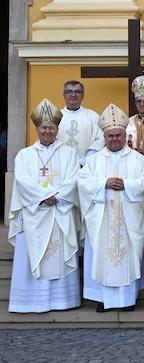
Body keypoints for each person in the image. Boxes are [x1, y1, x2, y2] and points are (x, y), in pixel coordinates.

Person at [8, 98, 81, 313]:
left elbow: (74, 179)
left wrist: (55, 197)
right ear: (37, 129)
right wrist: (43, 196)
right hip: (34, 214)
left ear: (57, 129)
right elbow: (22, 181)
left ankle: (62, 301)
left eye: (51, 127)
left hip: (59, 212)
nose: (47, 131)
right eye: (43, 127)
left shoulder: (69, 153)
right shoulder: (25, 155)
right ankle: (28, 302)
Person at [78, 103, 144, 312]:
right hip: (102, 219)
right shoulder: (93, 160)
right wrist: (104, 184)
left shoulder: (138, 159)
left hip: (128, 219)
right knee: (102, 255)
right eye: (111, 136)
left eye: (118, 135)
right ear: (104, 137)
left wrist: (127, 184)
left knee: (127, 256)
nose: (115, 139)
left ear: (125, 134)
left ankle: (128, 300)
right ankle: (102, 299)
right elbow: (82, 183)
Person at [57, 80, 103, 165]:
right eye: (69, 92)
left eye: (77, 92)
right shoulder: (56, 116)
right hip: (60, 163)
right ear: (63, 95)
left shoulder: (92, 116)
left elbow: (100, 139)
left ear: (83, 95)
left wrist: (86, 160)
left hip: (86, 165)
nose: (73, 95)